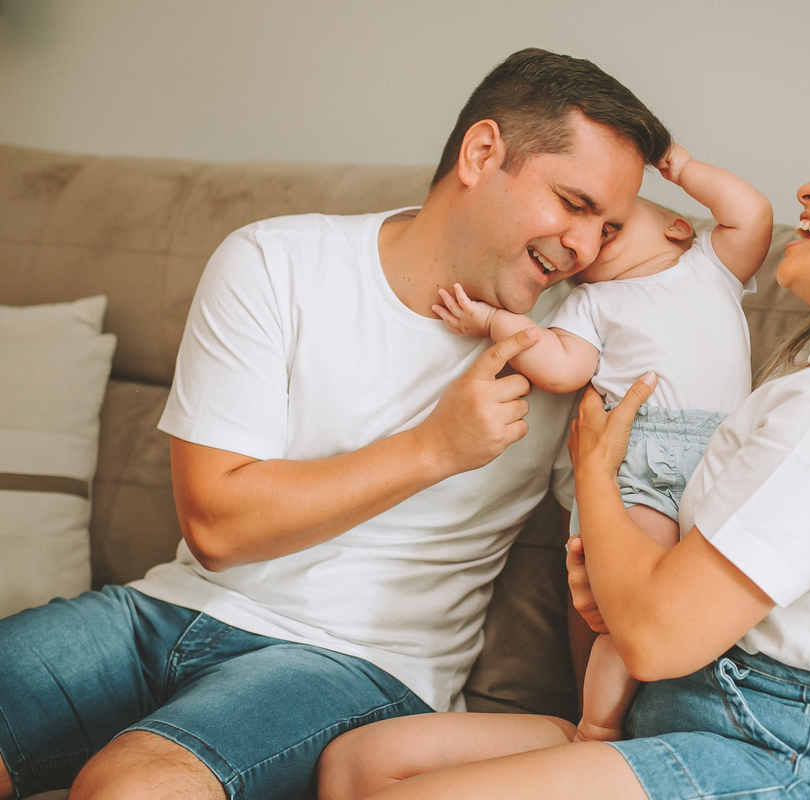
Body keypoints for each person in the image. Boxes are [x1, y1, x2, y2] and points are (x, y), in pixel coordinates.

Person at [312, 114, 810, 800]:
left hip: (802, 750)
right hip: (706, 709)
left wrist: (597, 474)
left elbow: (660, 635)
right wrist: (621, 582)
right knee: (358, 765)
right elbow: (676, 604)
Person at [0, 48, 671, 800]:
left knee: (132, 787)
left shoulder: (579, 351)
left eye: (608, 228)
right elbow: (217, 529)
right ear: (482, 153)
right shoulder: (276, 261)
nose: (583, 249)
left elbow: (611, 567)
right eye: (573, 204)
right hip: (165, 610)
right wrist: (434, 448)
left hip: (360, 664)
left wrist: (601, 729)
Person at [431, 143, 772, 746]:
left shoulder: (709, 266)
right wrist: (493, 323)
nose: (587, 245)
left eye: (612, 226)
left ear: (675, 227)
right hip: (631, 464)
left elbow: (751, 212)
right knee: (626, 604)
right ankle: (598, 724)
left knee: (693, 600)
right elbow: (561, 368)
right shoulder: (589, 302)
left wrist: (680, 167)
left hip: (719, 464)